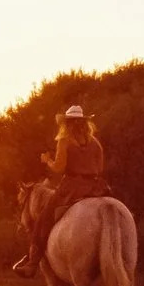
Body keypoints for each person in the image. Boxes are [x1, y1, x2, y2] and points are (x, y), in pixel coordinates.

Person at [32, 105, 109, 249]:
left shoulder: (64, 141)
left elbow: (59, 168)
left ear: (67, 123)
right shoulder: (95, 142)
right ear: (84, 122)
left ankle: (32, 260)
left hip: (73, 186)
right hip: (96, 185)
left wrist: (47, 160)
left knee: (44, 217)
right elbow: (100, 168)